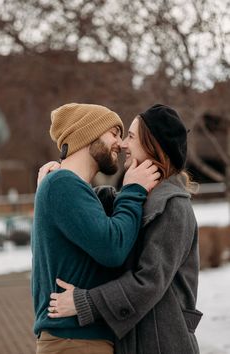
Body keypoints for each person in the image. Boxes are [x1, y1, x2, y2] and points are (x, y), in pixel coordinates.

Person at [42, 104, 203, 354]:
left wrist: (86, 302)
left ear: (152, 145)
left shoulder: (174, 207)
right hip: (133, 342)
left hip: (163, 344)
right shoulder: (143, 198)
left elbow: (149, 281)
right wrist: (61, 180)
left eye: (129, 136)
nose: (123, 144)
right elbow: (100, 208)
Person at [32, 102, 160, 354]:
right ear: (88, 134)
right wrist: (133, 190)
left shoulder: (67, 187)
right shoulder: (62, 183)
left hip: (77, 339)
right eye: (114, 133)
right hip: (76, 342)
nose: (121, 143)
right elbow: (113, 248)